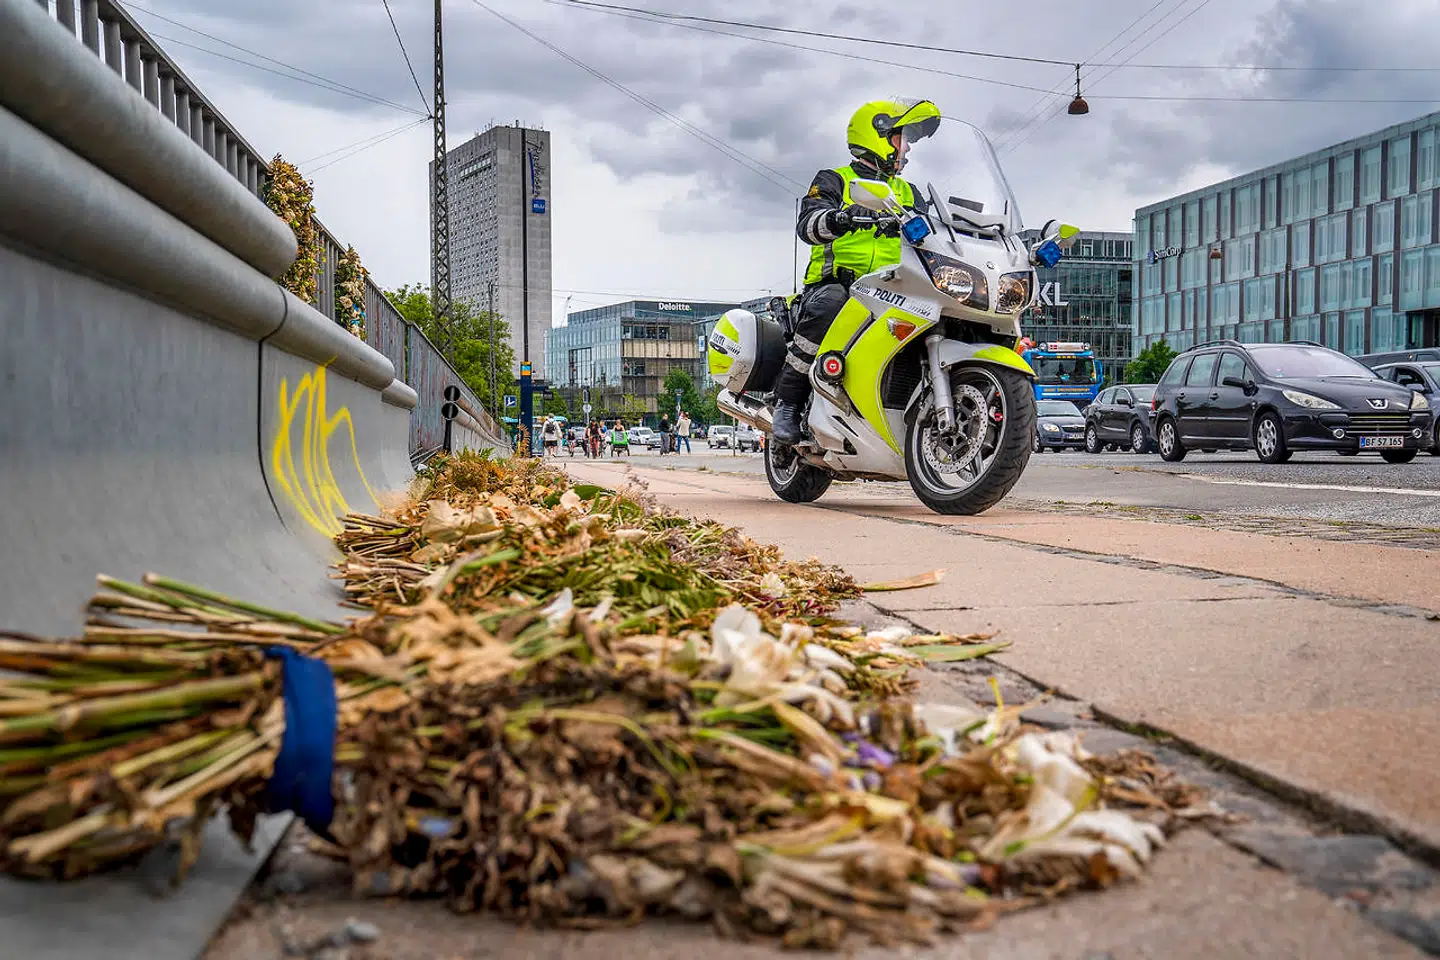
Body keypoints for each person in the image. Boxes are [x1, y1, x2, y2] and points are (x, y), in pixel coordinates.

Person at [772, 98, 941, 444]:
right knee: (831, 306)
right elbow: (807, 226)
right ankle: (787, 402)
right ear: (878, 135)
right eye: (902, 137)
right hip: (839, 285)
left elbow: (935, 235)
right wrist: (839, 218)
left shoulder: (910, 192)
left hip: (896, 289)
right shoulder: (835, 179)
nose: (907, 148)